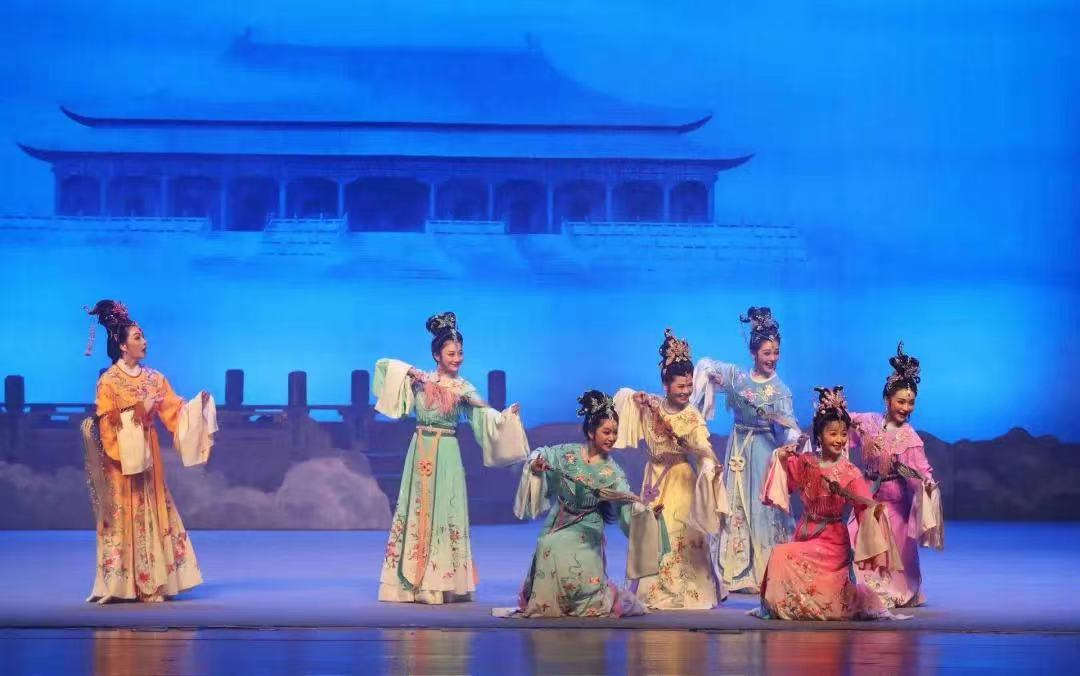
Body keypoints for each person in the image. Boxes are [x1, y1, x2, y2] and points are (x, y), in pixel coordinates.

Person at [374, 311, 528, 604]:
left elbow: (484, 415)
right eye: (451, 353)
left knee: (445, 510)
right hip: (420, 448)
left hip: (446, 451)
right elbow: (383, 366)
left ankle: (441, 582)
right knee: (416, 508)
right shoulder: (421, 381)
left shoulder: (463, 389)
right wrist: (411, 372)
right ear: (436, 355)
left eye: (460, 353)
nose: (457, 358)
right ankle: (408, 584)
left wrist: (505, 417)